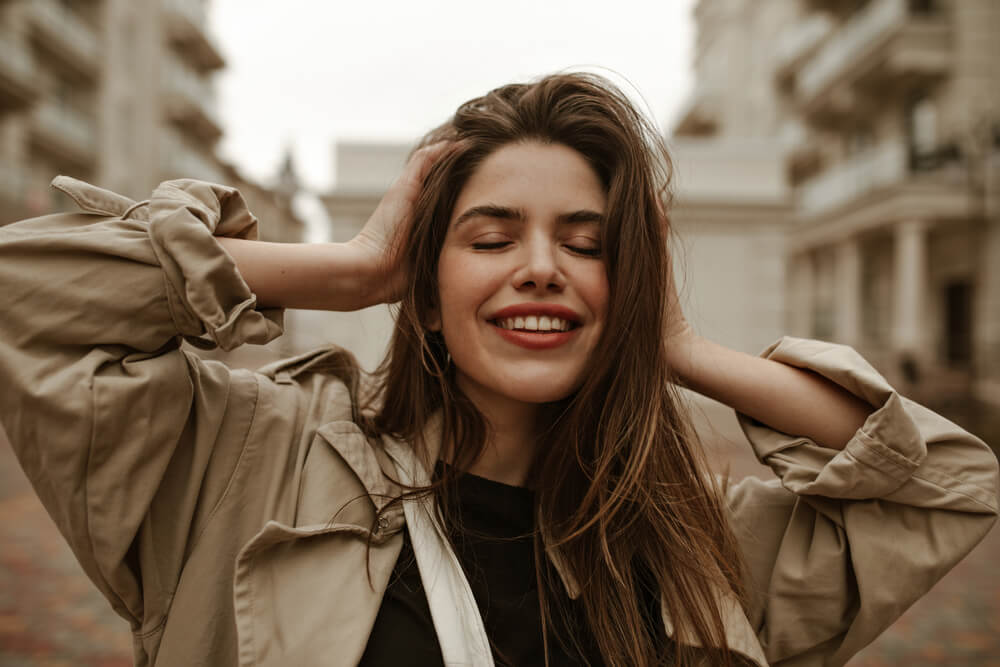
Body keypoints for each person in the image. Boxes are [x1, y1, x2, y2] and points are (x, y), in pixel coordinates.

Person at [0, 73, 996, 667]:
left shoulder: (690, 542)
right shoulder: (244, 464)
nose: (540, 267)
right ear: (425, 292)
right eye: (490, 236)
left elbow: (946, 489)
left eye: (586, 241)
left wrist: (676, 344)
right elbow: (27, 292)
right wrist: (353, 272)